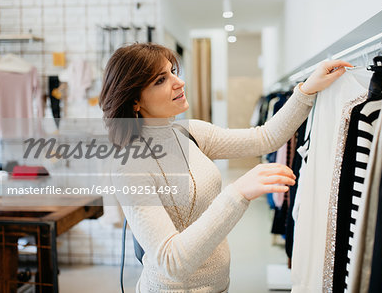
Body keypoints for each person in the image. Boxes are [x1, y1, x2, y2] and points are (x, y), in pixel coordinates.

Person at [99, 43, 352, 292]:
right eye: (160, 80)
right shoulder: (129, 166)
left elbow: (265, 138)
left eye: (173, 72)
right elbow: (171, 261)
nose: (179, 82)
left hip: (220, 285)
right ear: (134, 101)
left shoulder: (189, 132)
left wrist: (306, 90)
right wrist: (237, 192)